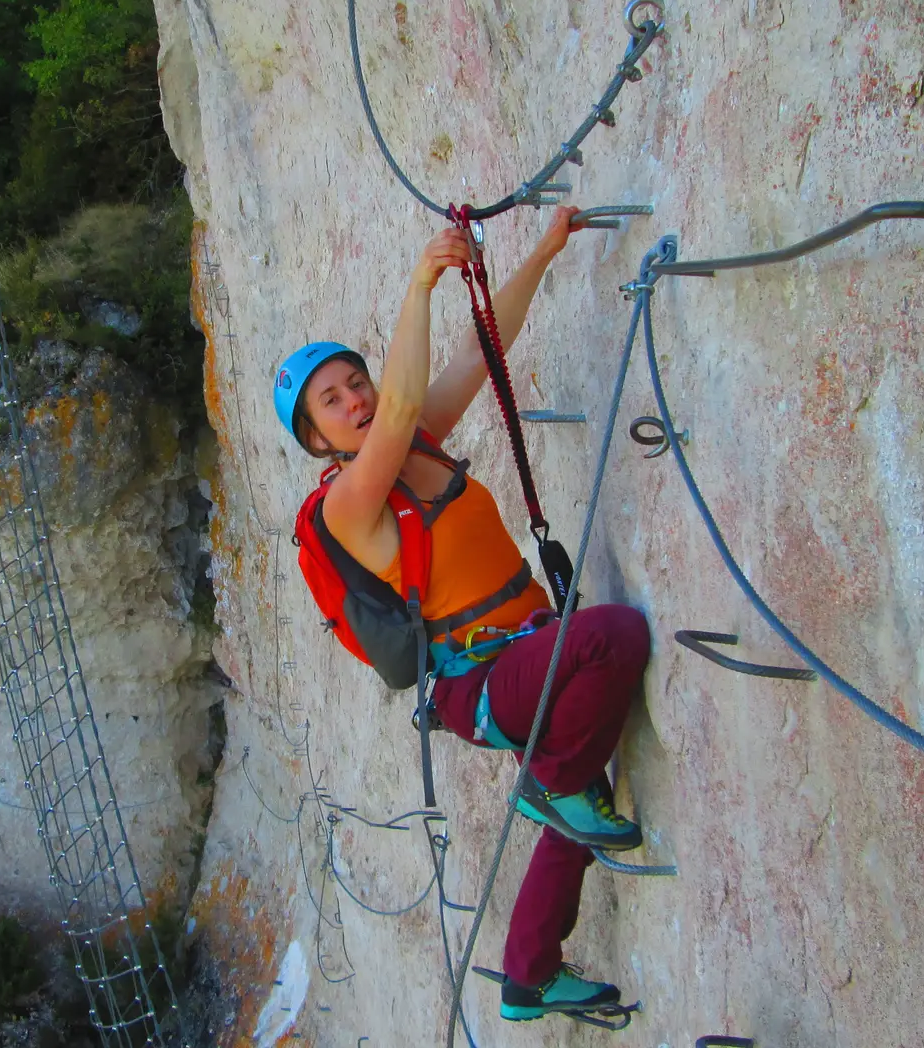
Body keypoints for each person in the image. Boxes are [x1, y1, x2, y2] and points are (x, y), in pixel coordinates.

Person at [271, 207, 652, 1024]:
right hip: (477, 678)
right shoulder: (348, 507)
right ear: (315, 440)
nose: (356, 400)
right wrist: (419, 283)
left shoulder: (420, 445)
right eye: (332, 402)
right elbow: (407, 395)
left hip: (519, 649)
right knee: (612, 643)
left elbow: (484, 353)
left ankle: (529, 978)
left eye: (356, 382)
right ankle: (553, 785)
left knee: (577, 784)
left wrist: (544, 252)